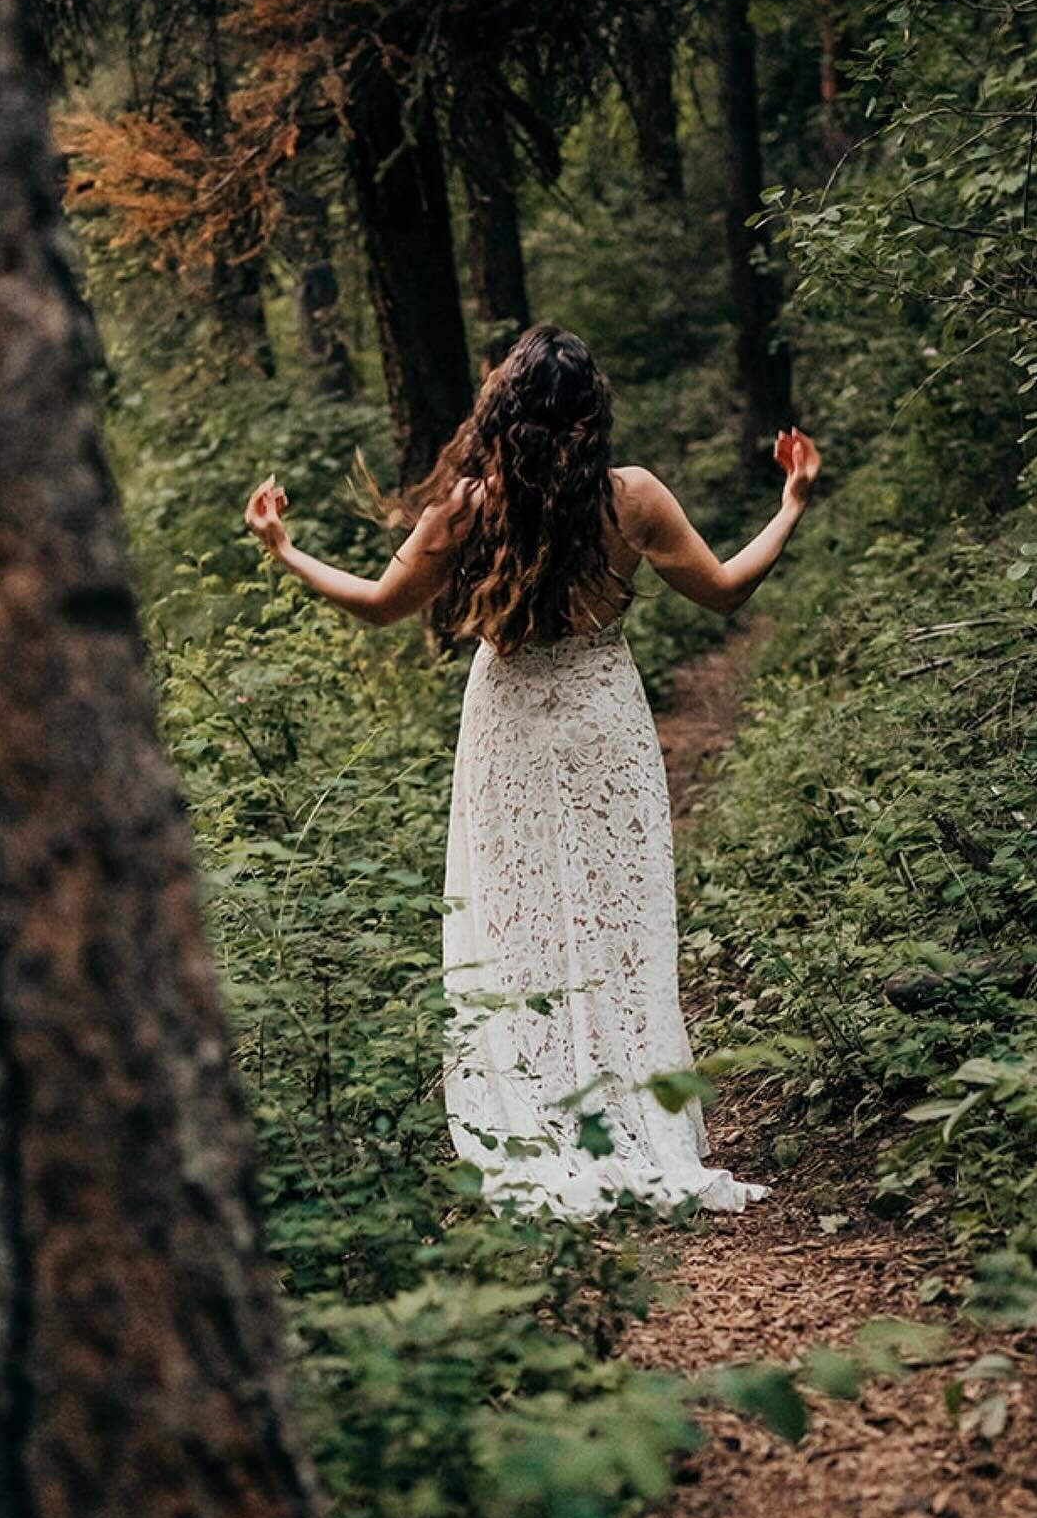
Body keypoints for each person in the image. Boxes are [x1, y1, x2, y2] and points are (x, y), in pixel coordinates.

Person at [244, 322, 821, 1219]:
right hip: (602, 718)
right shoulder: (632, 500)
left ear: (503, 407)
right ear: (591, 413)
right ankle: (631, 1111)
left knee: (515, 917)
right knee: (615, 909)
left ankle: (541, 1119)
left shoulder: (467, 507)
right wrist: (789, 503)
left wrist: (284, 549)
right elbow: (726, 589)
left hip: (507, 716)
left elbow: (376, 605)